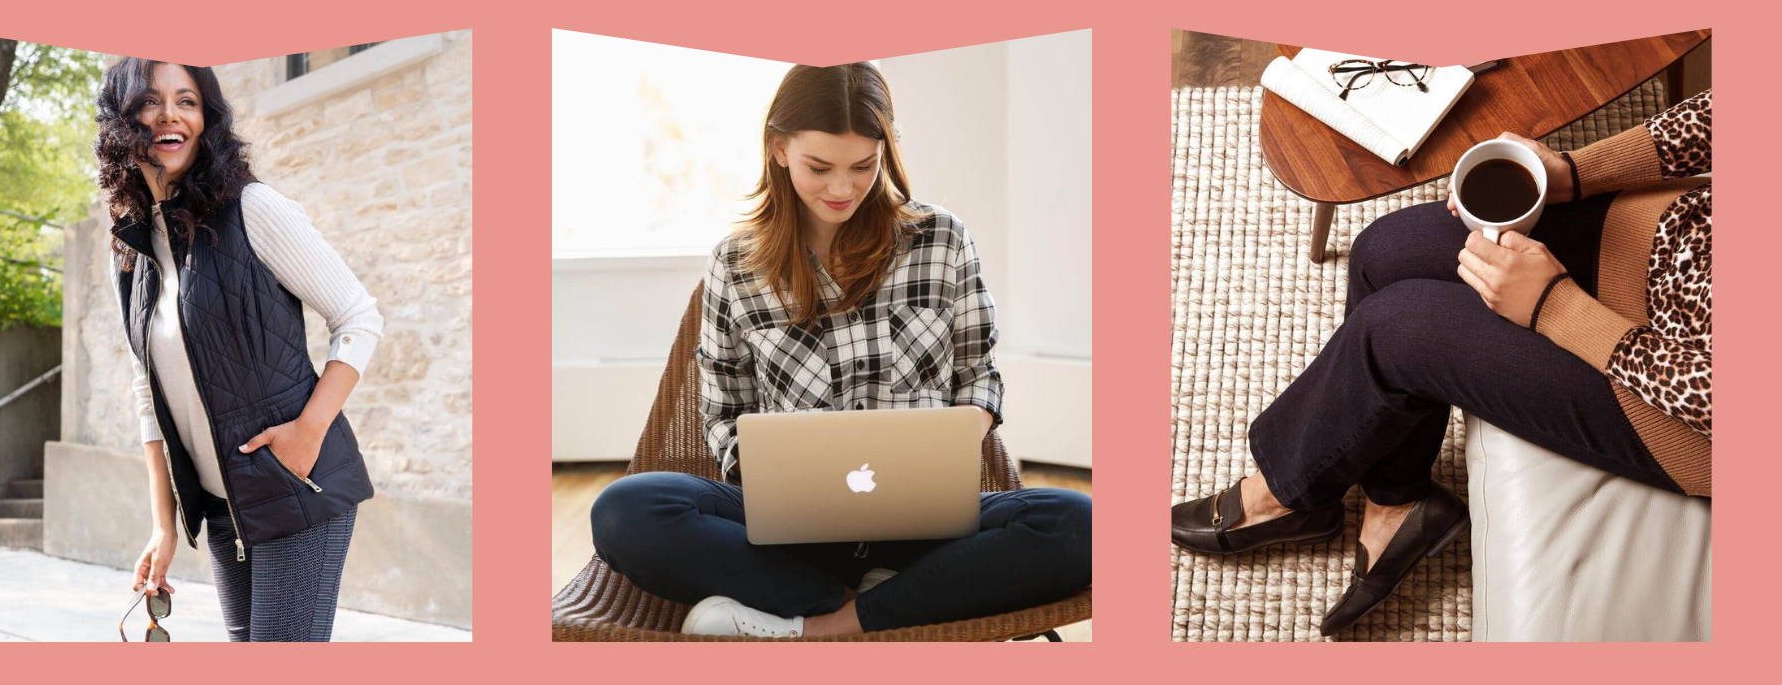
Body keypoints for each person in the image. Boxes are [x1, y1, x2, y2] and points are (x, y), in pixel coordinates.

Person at [1172, 89, 1712, 636]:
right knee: (1383, 251)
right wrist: (1570, 172)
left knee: (1396, 330)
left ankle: (1284, 495)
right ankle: (1396, 499)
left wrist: (1556, 307)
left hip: (1673, 402)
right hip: (1675, 239)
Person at [589, 63, 1093, 638]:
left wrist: (946, 445)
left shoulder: (941, 239)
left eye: (863, 166)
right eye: (819, 167)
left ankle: (818, 625)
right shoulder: (737, 262)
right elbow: (724, 409)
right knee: (624, 510)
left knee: (1081, 523)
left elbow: (979, 374)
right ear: (778, 149)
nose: (842, 189)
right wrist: (776, 478)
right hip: (790, 535)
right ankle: (886, 601)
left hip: (925, 525)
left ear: (887, 150)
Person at [97, 59, 385, 641]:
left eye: (188, 100)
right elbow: (147, 391)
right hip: (224, 506)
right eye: (151, 101)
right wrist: (164, 525)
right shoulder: (131, 252)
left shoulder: (253, 209)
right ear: (122, 121)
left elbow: (359, 316)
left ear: (207, 118)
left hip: (296, 486)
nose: (171, 115)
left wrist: (307, 434)